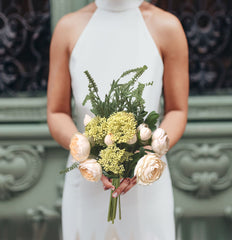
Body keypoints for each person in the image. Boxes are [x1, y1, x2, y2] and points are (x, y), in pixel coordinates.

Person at [47, 0, 189, 239]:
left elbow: (177, 110)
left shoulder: (167, 26)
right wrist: (86, 153)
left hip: (146, 183)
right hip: (87, 181)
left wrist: (148, 154)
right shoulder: (68, 28)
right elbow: (56, 112)